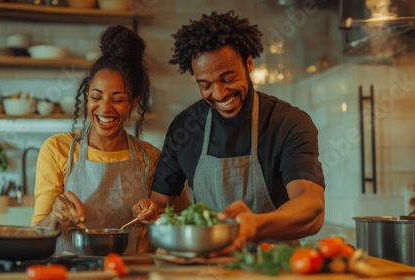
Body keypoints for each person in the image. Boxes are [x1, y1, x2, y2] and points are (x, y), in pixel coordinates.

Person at [133, 11, 325, 255]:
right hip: (207, 264)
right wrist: (148, 208)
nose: (220, 93)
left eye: (228, 78)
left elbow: (310, 204)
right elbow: (160, 205)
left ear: (249, 63)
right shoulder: (184, 128)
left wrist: (255, 225)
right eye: (206, 85)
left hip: (274, 264)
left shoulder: (288, 123)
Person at [31, 25, 190, 255]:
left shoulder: (153, 159)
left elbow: (186, 224)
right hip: (69, 274)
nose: (105, 108)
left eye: (118, 99)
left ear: (133, 103)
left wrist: (159, 217)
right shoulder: (58, 149)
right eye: (96, 96)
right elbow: (37, 237)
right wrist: (55, 215)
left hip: (133, 273)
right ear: (87, 97)